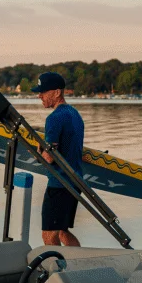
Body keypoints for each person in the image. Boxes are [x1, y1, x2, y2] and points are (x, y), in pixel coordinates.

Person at [33, 71, 84, 247]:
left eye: (43, 92)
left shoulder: (54, 118)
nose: (39, 96)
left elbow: (49, 158)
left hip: (59, 184)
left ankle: (57, 263)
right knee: (62, 231)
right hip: (75, 182)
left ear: (57, 92)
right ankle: (79, 261)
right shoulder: (74, 114)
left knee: (48, 234)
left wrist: (39, 151)